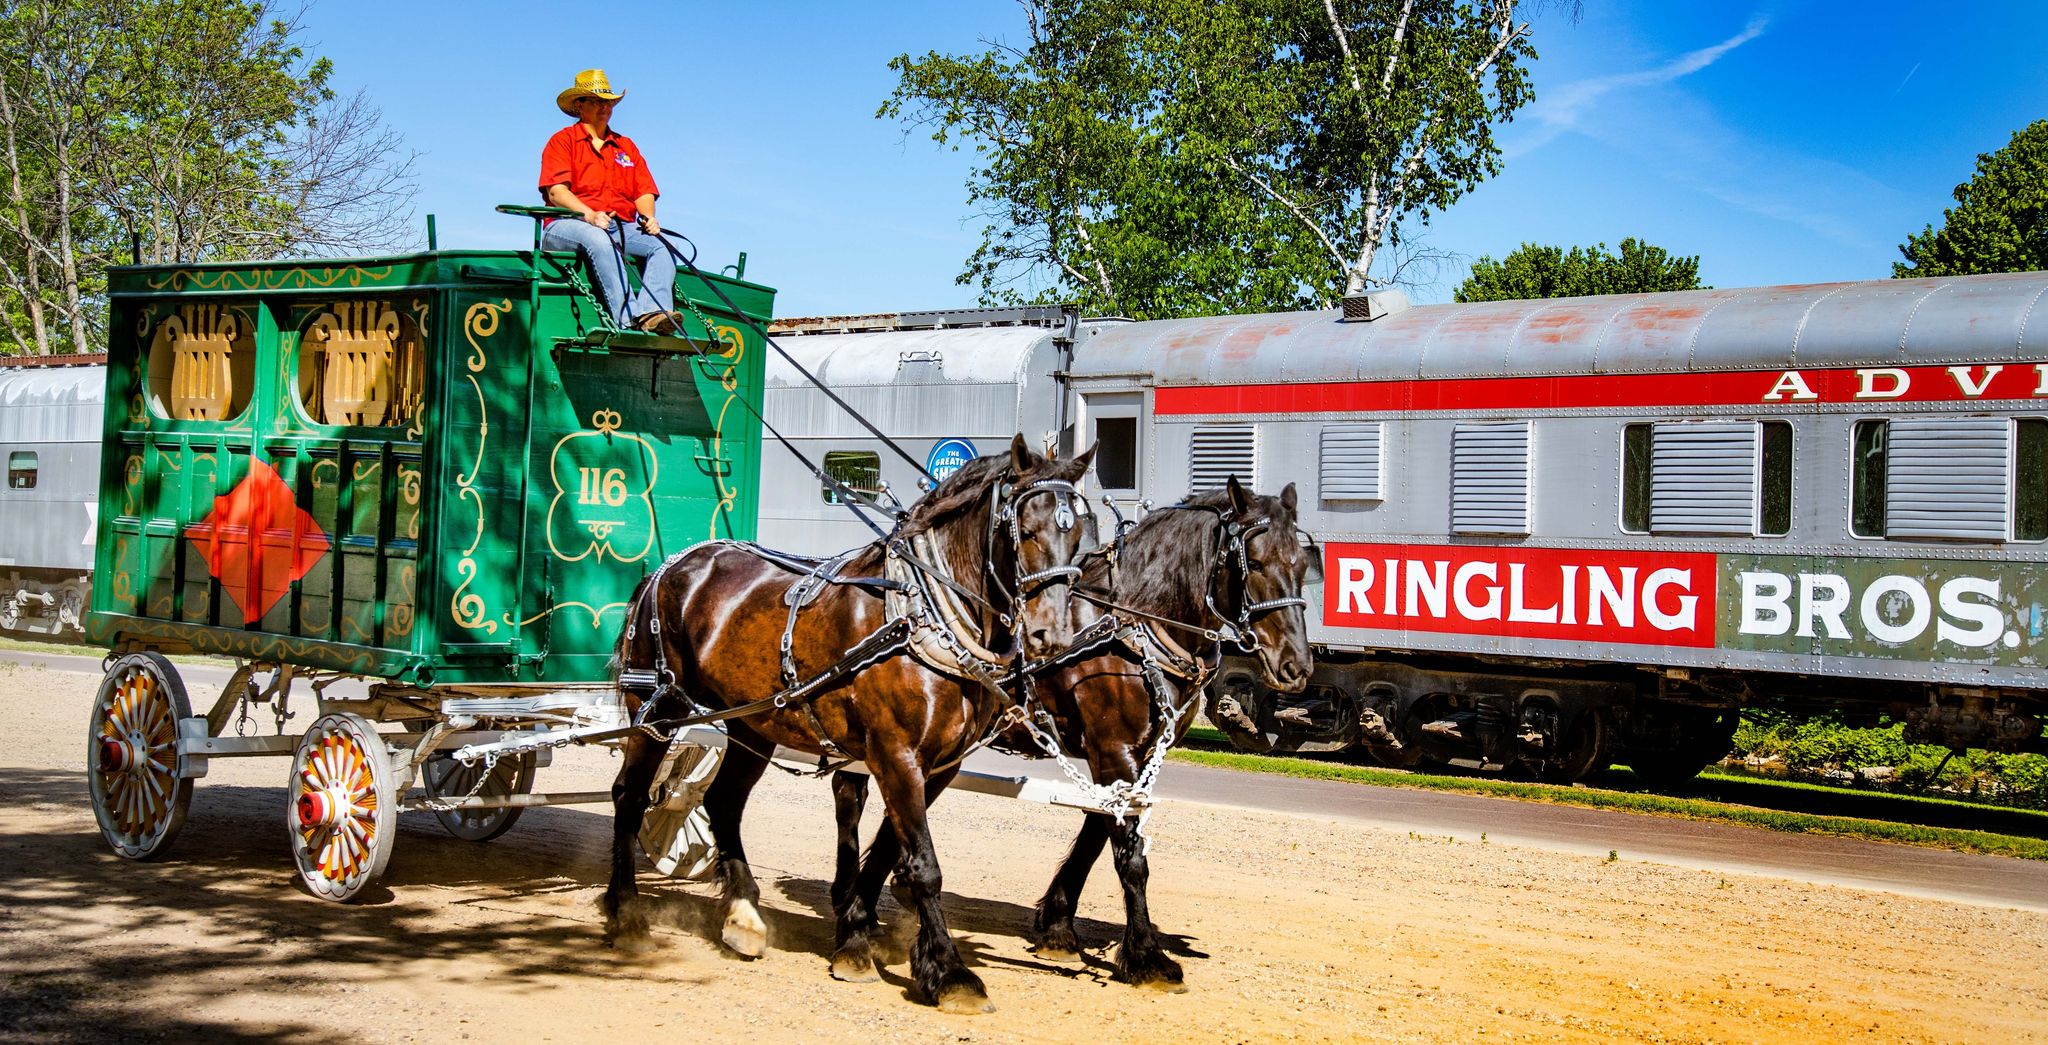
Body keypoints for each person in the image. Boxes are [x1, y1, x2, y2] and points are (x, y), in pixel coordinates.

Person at [537, 69, 681, 334]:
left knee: (664, 246)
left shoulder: (626, 146)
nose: (605, 107)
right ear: (579, 105)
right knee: (598, 239)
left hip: (618, 225)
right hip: (566, 224)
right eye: (596, 101)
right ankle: (629, 319)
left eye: (608, 102)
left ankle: (654, 312)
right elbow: (557, 193)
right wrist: (589, 215)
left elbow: (644, 191)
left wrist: (649, 217)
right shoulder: (562, 141)